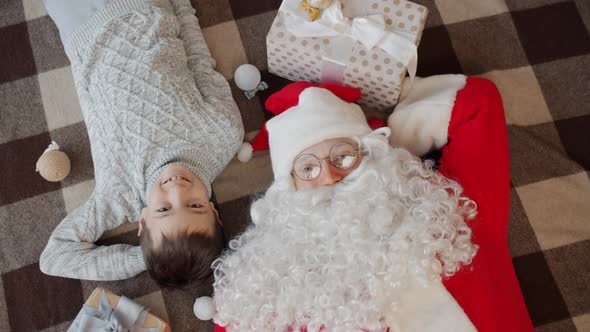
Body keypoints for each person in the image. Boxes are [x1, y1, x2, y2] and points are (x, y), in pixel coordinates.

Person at [210, 76, 534, 331]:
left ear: (376, 157)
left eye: (343, 156)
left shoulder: (450, 212)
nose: (330, 176)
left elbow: (477, 101)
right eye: (307, 168)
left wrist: (392, 144)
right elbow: (235, 316)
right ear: (287, 193)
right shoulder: (276, 286)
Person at [39, 0, 244, 287]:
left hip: (82, 26)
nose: (176, 189)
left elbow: (55, 258)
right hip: (148, 8)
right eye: (195, 204)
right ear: (215, 213)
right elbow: (199, 60)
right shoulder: (224, 133)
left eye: (164, 209)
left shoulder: (118, 196)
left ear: (143, 221)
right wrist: (181, 6)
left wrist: (145, 258)